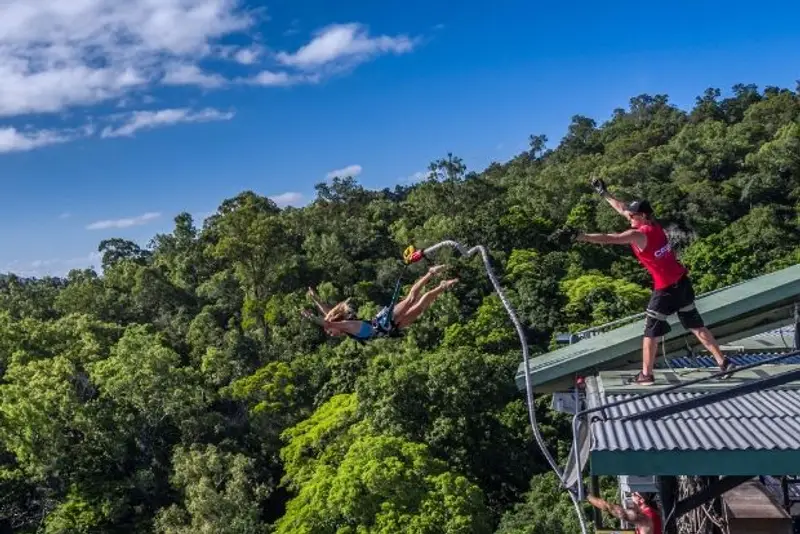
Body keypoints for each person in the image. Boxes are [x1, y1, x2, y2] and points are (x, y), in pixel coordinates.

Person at [576, 177, 735, 385]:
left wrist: (581, 236)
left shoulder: (639, 235)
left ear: (642, 216)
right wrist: (604, 193)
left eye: (633, 215)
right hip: (682, 282)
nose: (629, 216)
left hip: (665, 290)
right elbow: (622, 209)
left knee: (650, 333)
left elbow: (611, 238)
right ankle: (724, 362)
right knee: (696, 326)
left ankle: (646, 375)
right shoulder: (654, 225)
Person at [301, 265, 458, 341]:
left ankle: (430, 273)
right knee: (419, 308)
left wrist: (311, 318)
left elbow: (327, 321)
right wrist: (316, 300)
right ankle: (442, 286)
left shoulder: (346, 325)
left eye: (330, 332)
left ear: (335, 325)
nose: (331, 334)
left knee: (410, 300)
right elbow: (328, 314)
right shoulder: (345, 329)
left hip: (385, 320)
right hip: (390, 328)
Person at [587, 492, 663, 534]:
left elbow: (620, 513)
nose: (631, 497)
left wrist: (588, 496)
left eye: (634, 494)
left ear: (641, 500)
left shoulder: (646, 516)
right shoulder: (651, 513)